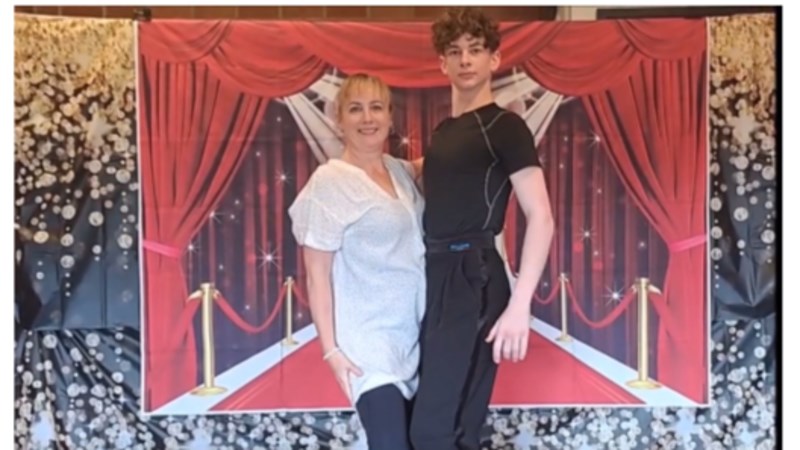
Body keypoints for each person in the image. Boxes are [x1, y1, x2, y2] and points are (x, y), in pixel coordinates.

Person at [408, 8, 555, 450]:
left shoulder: (505, 127)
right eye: (455, 52)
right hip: (435, 275)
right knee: (441, 423)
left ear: (494, 59)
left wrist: (520, 305)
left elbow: (542, 217)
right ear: (442, 63)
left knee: (441, 430)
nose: (465, 60)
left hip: (473, 276)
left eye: (475, 50)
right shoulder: (443, 132)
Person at [288, 73, 425, 450]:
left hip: (413, 337)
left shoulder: (399, 171)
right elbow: (316, 276)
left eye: (376, 107)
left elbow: (433, 162)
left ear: (390, 117)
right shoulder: (329, 183)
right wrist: (331, 351)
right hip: (367, 346)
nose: (367, 118)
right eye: (355, 109)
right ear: (339, 119)